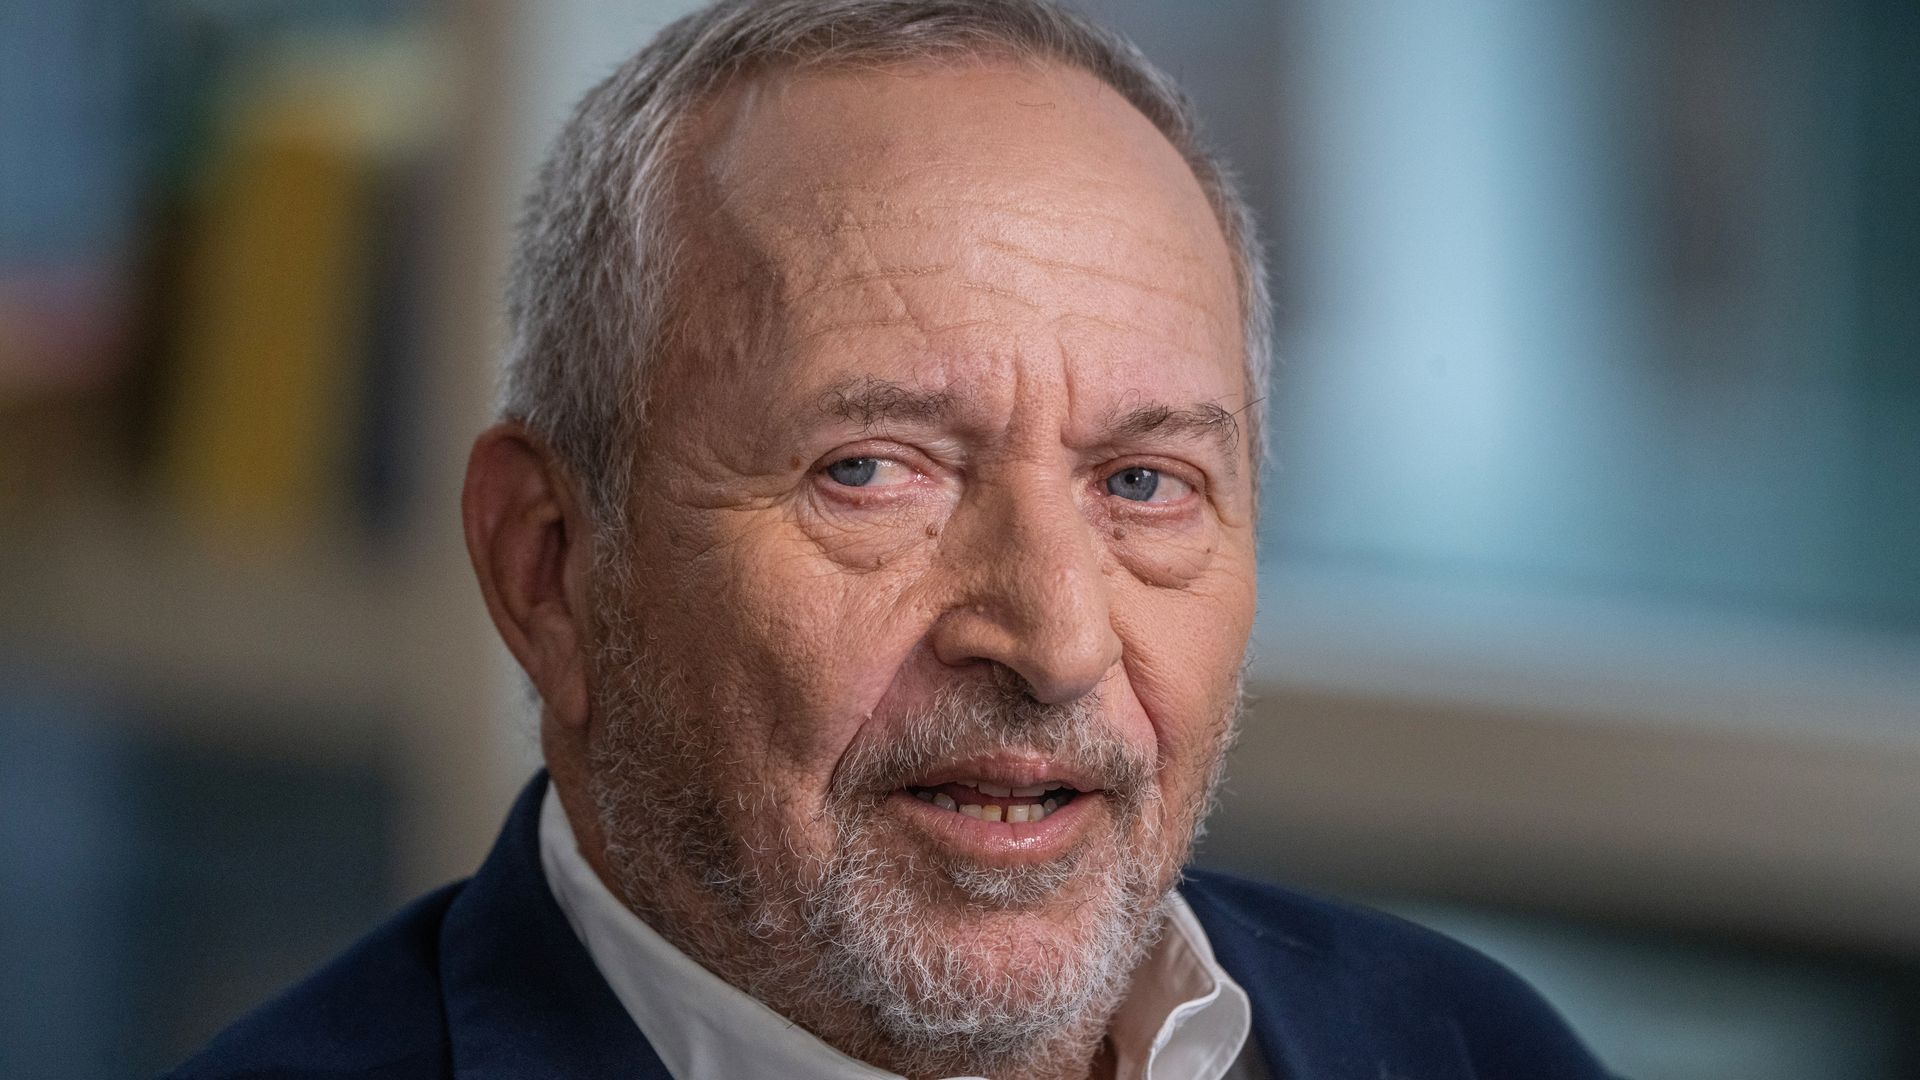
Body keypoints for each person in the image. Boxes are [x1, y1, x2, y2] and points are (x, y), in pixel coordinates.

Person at [169, 1, 1617, 1077]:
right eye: (874, 470)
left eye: (1144, 483)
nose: (1055, 640)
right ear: (548, 565)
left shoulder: (1470, 1046)